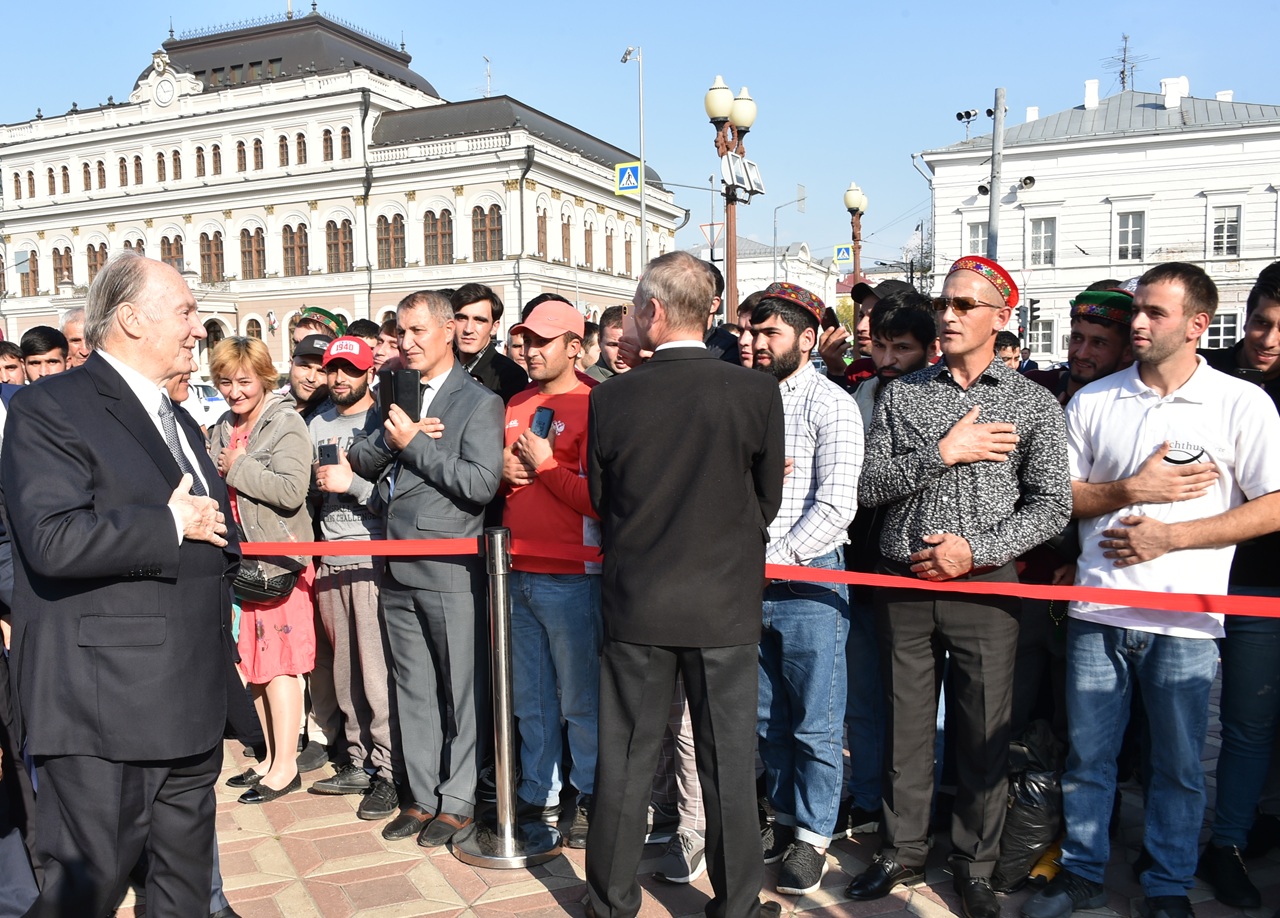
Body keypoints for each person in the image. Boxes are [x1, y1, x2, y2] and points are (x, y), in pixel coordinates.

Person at [1022, 263, 1280, 918]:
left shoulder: (1240, 403)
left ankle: (1167, 884)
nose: (1137, 322)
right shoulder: (1094, 401)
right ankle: (1081, 871)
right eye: (1136, 310)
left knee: (1178, 766)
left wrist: (1175, 537)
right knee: (1090, 758)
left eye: (1154, 313)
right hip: (1097, 610)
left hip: (1185, 621)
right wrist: (1133, 490)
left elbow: (1273, 504)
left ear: (1198, 324)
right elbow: (1060, 500)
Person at [1, 250, 237, 916]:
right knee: (88, 891)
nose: (199, 328)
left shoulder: (179, 416)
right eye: (187, 312)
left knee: (184, 891)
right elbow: (51, 541)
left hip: (189, 700)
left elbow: (212, 529)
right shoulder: (51, 408)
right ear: (132, 319)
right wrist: (165, 525)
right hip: (105, 710)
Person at [849, 255, 1071, 918]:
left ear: (1002, 317)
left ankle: (974, 861)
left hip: (987, 589)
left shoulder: (1032, 403)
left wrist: (976, 549)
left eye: (965, 305)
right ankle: (900, 849)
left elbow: (1052, 504)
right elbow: (867, 488)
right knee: (906, 730)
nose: (948, 315)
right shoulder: (904, 394)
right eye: (945, 303)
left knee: (982, 734)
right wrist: (942, 453)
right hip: (904, 584)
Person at [585, 250, 786, 918]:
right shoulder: (756, 391)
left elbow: (603, 498)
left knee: (626, 761)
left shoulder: (612, 397)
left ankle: (611, 904)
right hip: (724, 604)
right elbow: (767, 501)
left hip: (639, 601)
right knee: (728, 763)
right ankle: (737, 904)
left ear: (652, 309)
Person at [347, 290, 503, 848]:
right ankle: (421, 795)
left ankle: (458, 801)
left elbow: (481, 484)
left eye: (417, 331)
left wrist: (415, 446)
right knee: (411, 687)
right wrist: (397, 441)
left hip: (449, 564)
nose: (406, 342)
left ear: (446, 332)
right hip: (392, 561)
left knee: (460, 689)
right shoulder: (392, 388)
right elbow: (360, 460)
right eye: (401, 331)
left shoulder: (479, 401)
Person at [750, 282, 862, 895]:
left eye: (770, 333)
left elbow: (837, 503)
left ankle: (814, 836)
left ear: (808, 339)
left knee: (816, 720)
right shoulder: (744, 398)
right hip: (749, 583)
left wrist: (775, 554)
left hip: (810, 582)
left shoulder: (831, 405)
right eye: (752, 331)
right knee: (766, 716)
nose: (756, 344)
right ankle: (785, 816)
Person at [500, 300, 601, 848]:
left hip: (577, 576)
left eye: (544, 341)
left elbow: (600, 501)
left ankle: (587, 794)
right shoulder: (515, 401)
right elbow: (493, 482)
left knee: (580, 700)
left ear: (573, 345)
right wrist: (500, 471)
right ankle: (540, 793)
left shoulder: (596, 403)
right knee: (532, 698)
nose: (532, 351)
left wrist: (542, 465)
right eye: (526, 340)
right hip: (516, 572)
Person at [1196, 264, 1280, 907]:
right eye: (1259, 321)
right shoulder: (1211, 374)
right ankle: (1184, 839)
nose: (1267, 338)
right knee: (1183, 719)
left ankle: (1232, 836)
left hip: (1264, 581)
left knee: (1250, 721)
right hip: (1197, 577)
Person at [842, 290, 938, 837]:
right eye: (880, 346)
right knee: (863, 695)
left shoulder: (939, 403)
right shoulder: (859, 396)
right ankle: (865, 795)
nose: (887, 359)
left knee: (920, 705)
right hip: (858, 568)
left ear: (929, 350)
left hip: (919, 570)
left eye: (902, 348)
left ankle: (918, 807)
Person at [209, 336, 316, 806]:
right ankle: (270, 757)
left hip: (280, 565)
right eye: (225, 382)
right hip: (240, 564)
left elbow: (292, 491)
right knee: (253, 667)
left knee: (280, 666)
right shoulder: (220, 426)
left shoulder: (285, 423)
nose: (234, 392)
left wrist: (239, 467)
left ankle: (286, 765)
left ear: (264, 378)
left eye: (244, 382)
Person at [306, 336, 401, 823]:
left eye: (350, 369)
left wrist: (354, 485)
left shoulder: (382, 423)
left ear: (369, 372)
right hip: (328, 558)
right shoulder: (315, 420)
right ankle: (360, 761)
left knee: (376, 674)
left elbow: (398, 501)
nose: (340, 378)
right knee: (344, 672)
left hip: (372, 559)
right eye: (333, 369)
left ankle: (387, 771)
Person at [817, 278, 915, 391]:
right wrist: (836, 371)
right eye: (861, 316)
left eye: (875, 317)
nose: (860, 327)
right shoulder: (858, 371)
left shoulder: (931, 378)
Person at [452, 283, 528, 404]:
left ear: (494, 327)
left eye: (479, 320)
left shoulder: (511, 376)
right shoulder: (438, 368)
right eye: (462, 318)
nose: (468, 329)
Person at [286, 334, 333, 420]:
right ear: (291, 364)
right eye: (305, 366)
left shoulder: (331, 418)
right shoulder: (270, 406)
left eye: (322, 371)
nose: (311, 378)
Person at [585, 306, 628, 382]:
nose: (621, 354)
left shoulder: (648, 375)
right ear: (599, 342)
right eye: (613, 345)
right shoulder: (588, 383)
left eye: (627, 344)